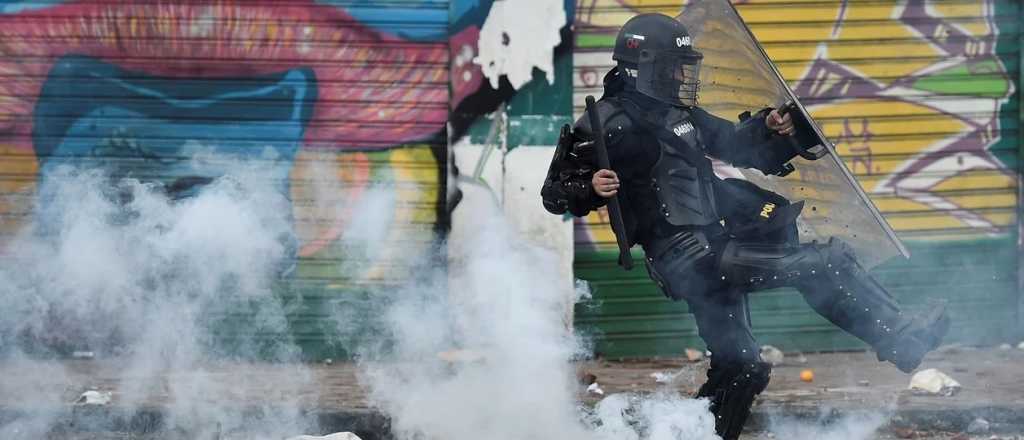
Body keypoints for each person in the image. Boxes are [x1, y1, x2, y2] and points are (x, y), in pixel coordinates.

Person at [541, 13, 949, 440]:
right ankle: (901, 339)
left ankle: (702, 434)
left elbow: (736, 144)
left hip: (716, 243)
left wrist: (769, 126)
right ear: (643, 67)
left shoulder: (680, 114)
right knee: (826, 261)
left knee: (742, 367)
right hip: (688, 258)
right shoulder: (607, 125)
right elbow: (555, 191)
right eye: (675, 66)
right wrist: (589, 185)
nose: (683, 75)